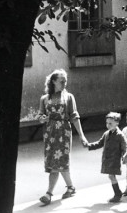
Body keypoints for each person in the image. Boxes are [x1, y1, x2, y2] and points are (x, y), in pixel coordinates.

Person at [37, 68, 89, 205]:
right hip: (49, 134)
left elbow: (75, 117)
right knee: (54, 162)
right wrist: (42, 118)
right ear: (53, 81)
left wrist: (82, 136)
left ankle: (48, 194)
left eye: (66, 81)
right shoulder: (44, 98)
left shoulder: (69, 97)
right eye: (62, 81)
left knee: (60, 161)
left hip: (63, 132)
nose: (65, 83)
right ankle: (71, 187)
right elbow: (40, 116)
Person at [87, 111, 127, 202]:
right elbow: (100, 143)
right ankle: (117, 193)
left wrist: (125, 156)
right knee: (111, 176)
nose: (108, 125)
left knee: (111, 176)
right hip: (107, 159)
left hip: (114, 160)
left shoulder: (120, 135)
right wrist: (89, 145)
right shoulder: (106, 134)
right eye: (107, 123)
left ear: (117, 123)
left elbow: (125, 147)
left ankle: (117, 194)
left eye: (110, 123)